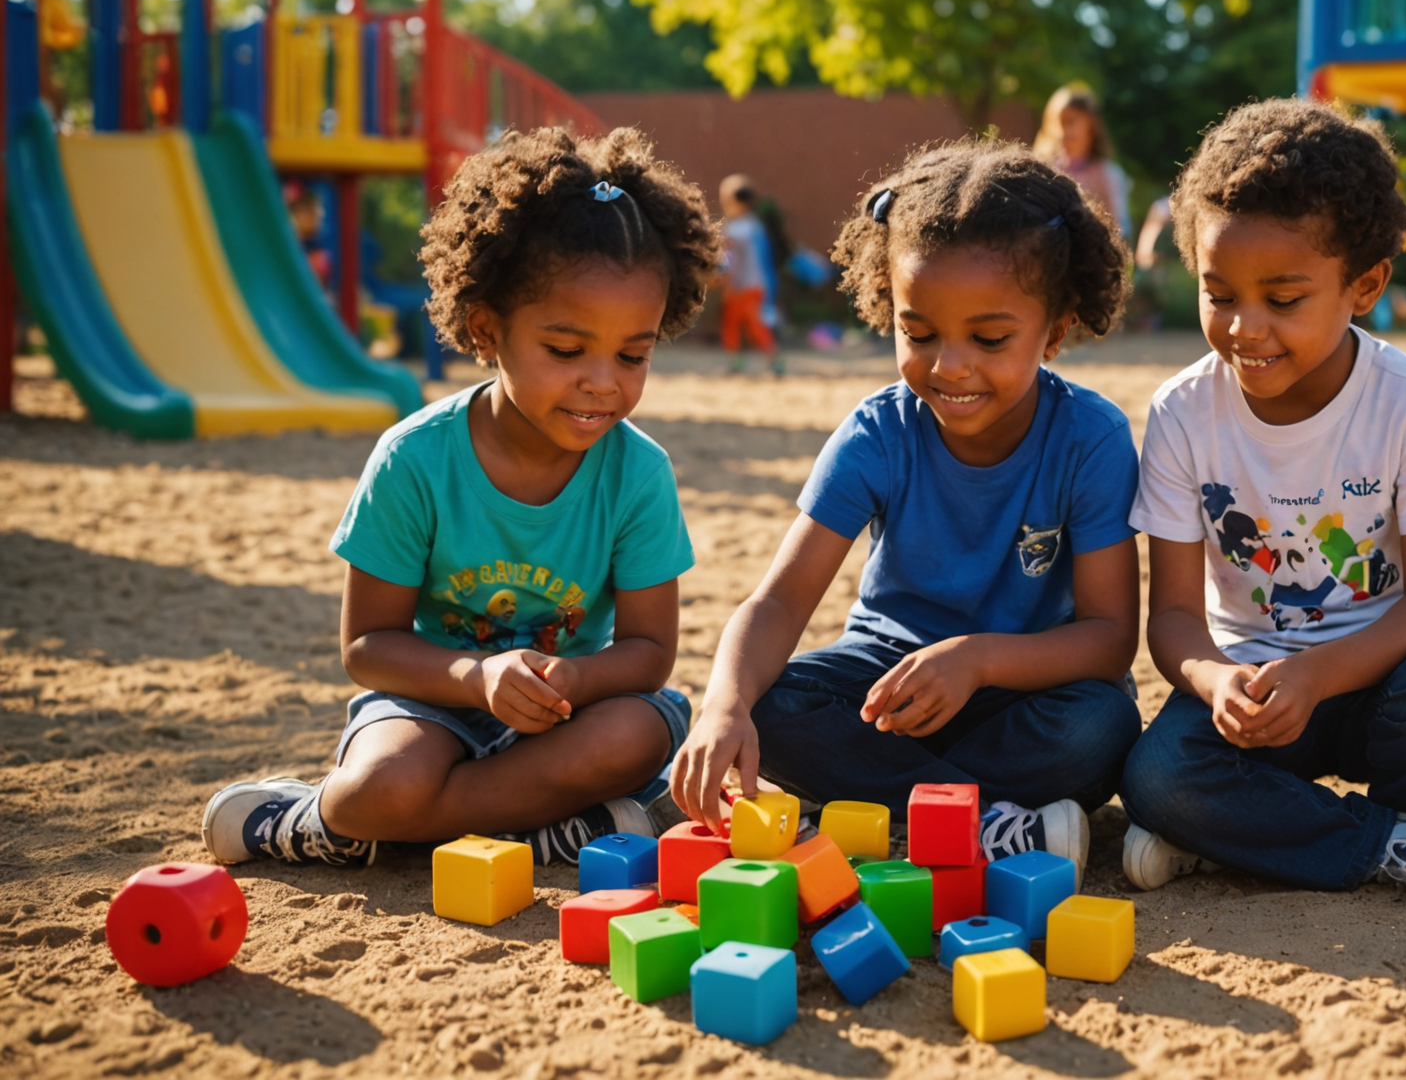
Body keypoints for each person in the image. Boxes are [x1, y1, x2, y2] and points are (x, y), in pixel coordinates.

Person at [201, 128, 720, 867]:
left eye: (633, 355)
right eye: (567, 351)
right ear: (487, 327)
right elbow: (365, 647)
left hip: (566, 714)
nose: (604, 381)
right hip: (432, 707)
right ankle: (318, 818)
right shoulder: (415, 460)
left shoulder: (638, 473)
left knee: (635, 735)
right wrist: (475, 679)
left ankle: (435, 828)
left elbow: (648, 652)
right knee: (375, 789)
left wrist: (576, 675)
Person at [670, 140, 1142, 878]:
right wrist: (722, 706)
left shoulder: (1092, 437)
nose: (950, 366)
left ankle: (897, 807)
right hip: (887, 688)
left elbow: (1111, 641)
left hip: (1027, 689)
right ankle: (987, 821)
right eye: (918, 334)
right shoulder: (879, 432)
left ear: (1054, 329)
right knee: (771, 704)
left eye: (989, 339)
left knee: (1101, 728)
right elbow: (777, 602)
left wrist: (978, 659)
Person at [1118, 99, 1406, 915]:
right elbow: (1173, 621)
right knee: (1158, 777)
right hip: (1258, 697)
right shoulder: (1181, 412)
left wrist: (1318, 675)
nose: (1244, 327)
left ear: (1363, 286)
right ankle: (1399, 844)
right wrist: (1216, 679)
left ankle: (1247, 834)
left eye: (1284, 298)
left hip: (1393, 688)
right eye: (1219, 293)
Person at [1034, 86, 1132, 241]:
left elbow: (1121, 226)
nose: (1063, 130)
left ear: (1091, 126)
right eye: (1059, 122)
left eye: (1071, 122)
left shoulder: (1106, 173)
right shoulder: (1046, 169)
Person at [719, 174, 785, 376]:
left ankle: (775, 363)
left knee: (755, 327)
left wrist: (726, 281)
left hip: (747, 286)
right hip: (747, 285)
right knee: (732, 324)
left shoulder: (740, 228)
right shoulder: (752, 226)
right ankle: (737, 363)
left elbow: (730, 258)